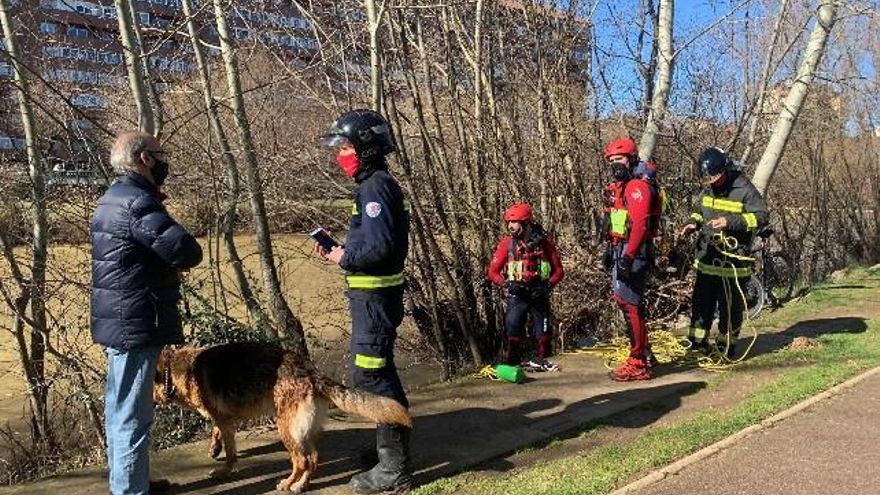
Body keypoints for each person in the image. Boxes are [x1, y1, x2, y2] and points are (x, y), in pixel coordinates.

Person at [91, 131, 203, 495]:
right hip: (135, 323)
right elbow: (185, 250)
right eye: (160, 154)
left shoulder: (112, 198)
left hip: (121, 320)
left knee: (121, 412)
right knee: (131, 418)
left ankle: (132, 483)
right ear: (144, 159)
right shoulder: (136, 203)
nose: (165, 160)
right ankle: (130, 491)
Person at [317, 109, 412, 493]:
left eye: (345, 146)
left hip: (374, 298)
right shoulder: (376, 185)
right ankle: (387, 454)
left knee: (372, 374)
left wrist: (343, 256)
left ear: (366, 148)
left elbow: (378, 248)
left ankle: (395, 467)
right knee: (376, 371)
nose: (341, 153)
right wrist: (346, 250)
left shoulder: (375, 187)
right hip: (373, 297)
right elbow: (376, 242)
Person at [680, 147, 769, 358]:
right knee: (701, 303)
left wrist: (731, 222)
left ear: (725, 171)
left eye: (716, 178)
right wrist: (693, 222)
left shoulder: (743, 188)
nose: (712, 183)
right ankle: (698, 342)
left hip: (732, 261)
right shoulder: (708, 188)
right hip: (707, 258)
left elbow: (761, 216)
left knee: (730, 307)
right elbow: (699, 210)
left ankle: (725, 346)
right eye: (708, 179)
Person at [601, 138, 663, 381]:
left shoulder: (637, 186)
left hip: (633, 253)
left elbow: (639, 225)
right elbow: (619, 221)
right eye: (612, 161)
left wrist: (627, 258)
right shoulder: (624, 185)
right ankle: (645, 354)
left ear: (631, 159)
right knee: (630, 303)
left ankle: (638, 362)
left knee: (630, 306)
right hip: (622, 249)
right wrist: (610, 250)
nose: (615, 165)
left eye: (619, 160)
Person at [487, 202, 564, 371]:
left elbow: (559, 271)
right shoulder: (507, 244)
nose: (510, 226)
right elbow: (492, 272)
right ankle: (512, 363)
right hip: (517, 294)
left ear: (526, 223)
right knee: (513, 330)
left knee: (543, 333)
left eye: (514, 223)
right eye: (508, 222)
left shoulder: (545, 244)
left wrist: (548, 285)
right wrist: (506, 284)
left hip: (539, 293)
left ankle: (542, 360)